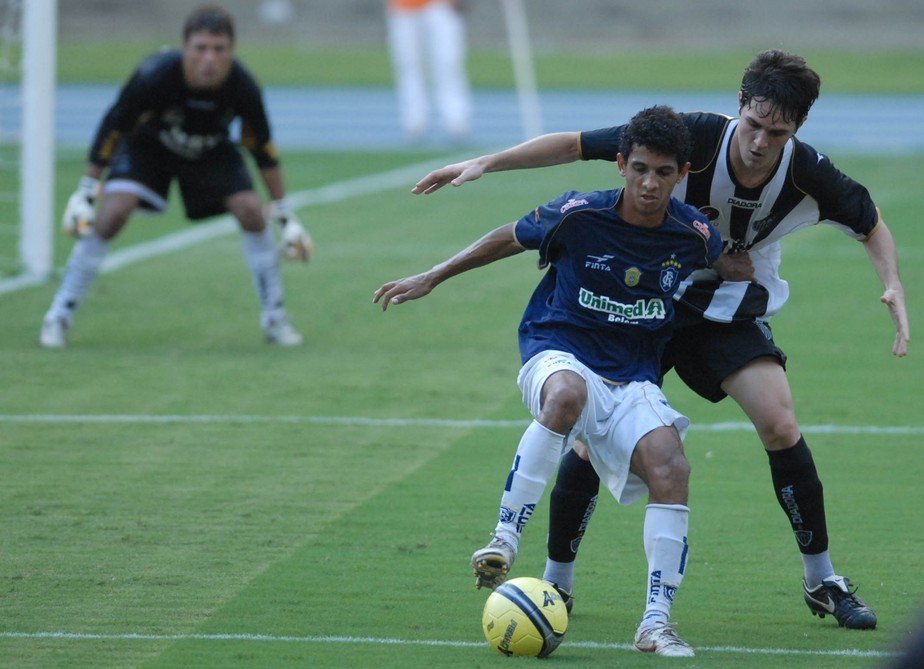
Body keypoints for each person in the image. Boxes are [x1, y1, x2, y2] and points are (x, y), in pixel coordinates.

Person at [410, 50, 910, 630]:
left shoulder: (808, 171)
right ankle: (556, 583)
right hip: (641, 303)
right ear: (738, 108)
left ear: (795, 129)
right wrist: (486, 162)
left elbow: (871, 223)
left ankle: (822, 579)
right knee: (588, 440)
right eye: (752, 125)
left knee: (779, 422)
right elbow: (574, 144)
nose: (758, 142)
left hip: (720, 309)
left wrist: (893, 283)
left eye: (776, 133)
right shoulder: (689, 136)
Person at [376, 106, 738, 656]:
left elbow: (731, 263)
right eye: (639, 168)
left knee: (672, 466)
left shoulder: (693, 235)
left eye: (663, 173)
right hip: (558, 351)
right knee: (567, 395)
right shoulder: (578, 214)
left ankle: (656, 623)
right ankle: (503, 538)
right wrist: (434, 275)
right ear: (620, 164)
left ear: (681, 174)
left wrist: (755, 271)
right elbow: (507, 237)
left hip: (632, 379)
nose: (649, 183)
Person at [39, 4, 313, 349]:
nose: (209, 59)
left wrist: (284, 215)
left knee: (250, 210)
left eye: (219, 49)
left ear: (232, 51)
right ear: (185, 48)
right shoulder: (154, 75)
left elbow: (262, 149)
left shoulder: (243, 86)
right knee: (113, 213)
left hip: (211, 148)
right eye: (200, 48)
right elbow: (114, 126)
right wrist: (86, 192)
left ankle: (275, 318)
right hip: (151, 146)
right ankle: (59, 314)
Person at [386, 0, 472, 143]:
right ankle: (415, 122)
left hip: (441, 6)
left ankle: (457, 120)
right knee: (410, 67)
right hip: (404, 8)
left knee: (448, 65)